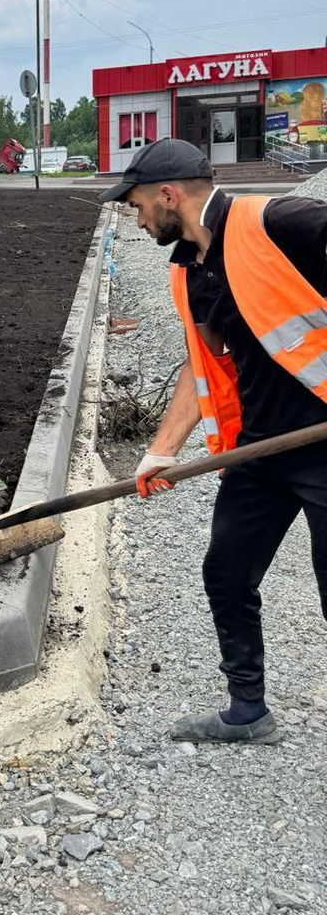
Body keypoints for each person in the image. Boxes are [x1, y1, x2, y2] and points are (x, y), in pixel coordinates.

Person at [102, 137, 327, 743]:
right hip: (259, 450)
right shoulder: (191, 269)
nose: (137, 216)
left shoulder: (283, 222)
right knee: (226, 574)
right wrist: (162, 450)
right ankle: (248, 711)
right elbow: (200, 364)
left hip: (325, 443)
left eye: (137, 205)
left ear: (167, 195)